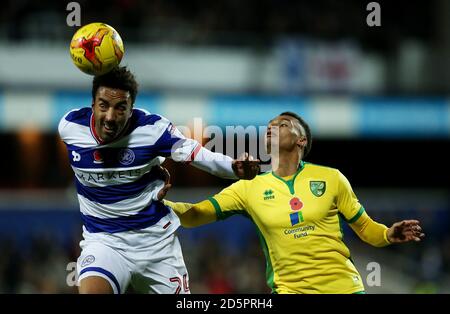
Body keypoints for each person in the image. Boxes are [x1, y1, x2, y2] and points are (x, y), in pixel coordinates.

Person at [164, 111, 425, 294]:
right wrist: (157, 203)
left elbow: (367, 229)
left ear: (301, 140)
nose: (272, 127)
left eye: (283, 124)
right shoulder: (248, 187)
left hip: (344, 288)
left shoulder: (331, 178)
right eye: (269, 125)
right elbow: (195, 214)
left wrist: (388, 233)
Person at [57, 66, 260, 294]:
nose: (110, 116)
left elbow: (194, 152)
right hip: (104, 242)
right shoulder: (70, 127)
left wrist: (233, 167)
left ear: (131, 109)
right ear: (92, 104)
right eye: (103, 105)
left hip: (155, 244)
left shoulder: (152, 129)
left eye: (120, 108)